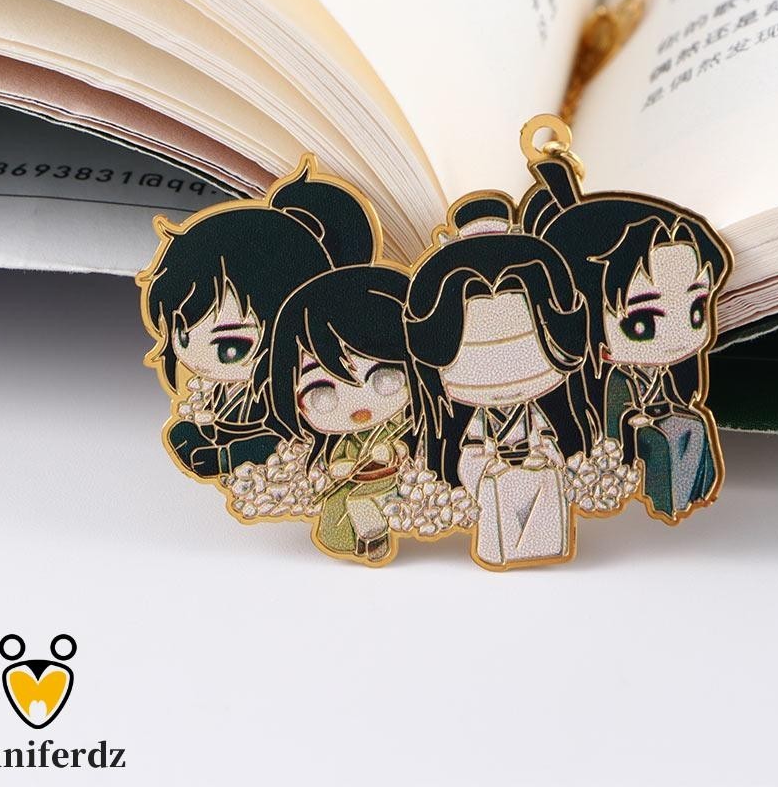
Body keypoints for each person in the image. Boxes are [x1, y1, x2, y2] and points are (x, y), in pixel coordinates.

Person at [138, 158, 377, 477]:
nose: (200, 361)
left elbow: (283, 438)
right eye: (182, 337)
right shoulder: (221, 387)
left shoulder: (294, 386)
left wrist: (227, 457)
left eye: (231, 348)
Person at [527, 157, 731, 521]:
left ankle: (690, 495)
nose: (677, 338)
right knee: (665, 438)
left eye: (696, 311)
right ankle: (671, 500)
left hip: (663, 426)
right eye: (642, 323)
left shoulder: (664, 374)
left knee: (691, 426)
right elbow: (611, 425)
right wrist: (631, 424)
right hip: (626, 449)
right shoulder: (610, 381)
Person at [405, 195, 591, 568]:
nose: (502, 369)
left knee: (544, 505)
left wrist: (545, 454)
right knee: (498, 517)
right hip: (494, 479)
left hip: (537, 473)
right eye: (476, 357)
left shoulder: (533, 414)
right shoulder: (480, 420)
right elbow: (472, 451)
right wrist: (485, 467)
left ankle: (543, 545)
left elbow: (548, 437)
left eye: (525, 349)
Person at [265, 265, 423, 564]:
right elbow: (337, 460)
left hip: (392, 483)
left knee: (360, 503)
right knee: (338, 505)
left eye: (385, 378)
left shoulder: (401, 424)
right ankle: (354, 543)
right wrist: (341, 467)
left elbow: (409, 448)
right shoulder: (344, 439)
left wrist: (393, 451)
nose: (358, 408)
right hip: (358, 480)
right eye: (322, 393)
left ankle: (374, 541)